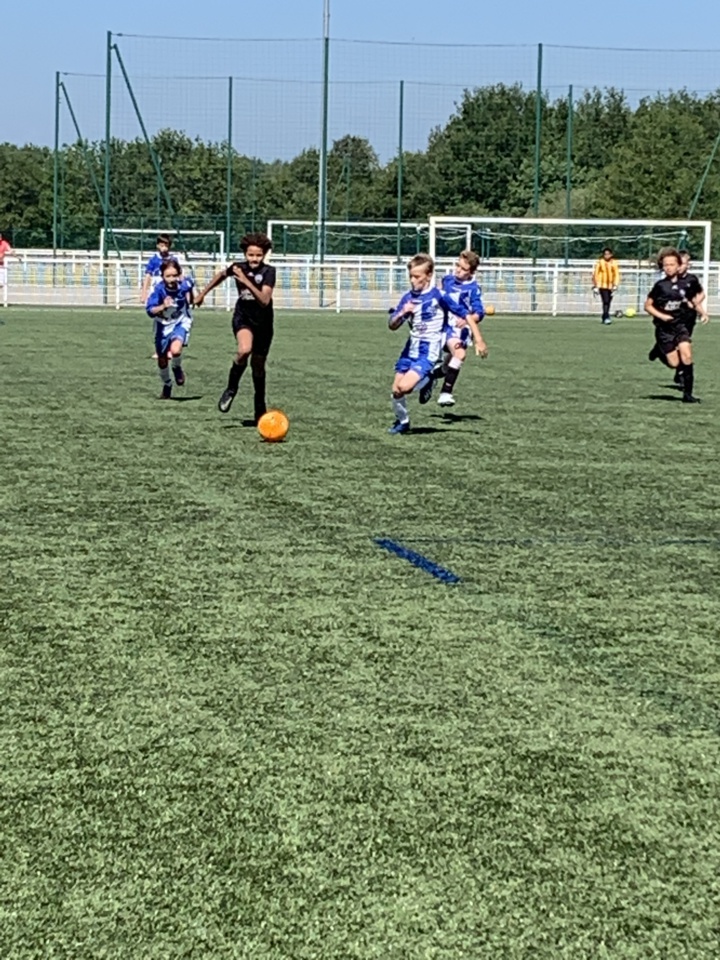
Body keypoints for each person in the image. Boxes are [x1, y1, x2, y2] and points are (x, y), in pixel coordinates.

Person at [195, 232, 276, 423]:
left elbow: (264, 300)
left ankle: (259, 405)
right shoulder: (238, 267)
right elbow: (220, 276)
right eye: (250, 255)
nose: (254, 259)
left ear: (264, 255)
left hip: (264, 322)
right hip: (243, 318)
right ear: (245, 254)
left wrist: (245, 281)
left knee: (258, 366)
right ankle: (231, 388)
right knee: (244, 350)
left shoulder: (269, 272)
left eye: (258, 255)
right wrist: (202, 294)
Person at [387, 253, 469, 435]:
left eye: (417, 276)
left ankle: (429, 379)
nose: (412, 280)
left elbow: (464, 312)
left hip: (428, 350)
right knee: (396, 391)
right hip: (410, 349)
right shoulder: (408, 298)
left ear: (429, 275)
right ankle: (403, 422)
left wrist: (474, 332)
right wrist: (402, 313)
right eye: (411, 276)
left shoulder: (439, 296)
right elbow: (392, 325)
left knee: (405, 387)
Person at [644, 248, 702, 404]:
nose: (669, 268)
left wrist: (701, 312)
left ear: (678, 266)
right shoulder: (660, 286)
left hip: (680, 326)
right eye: (666, 265)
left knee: (687, 356)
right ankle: (659, 351)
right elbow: (647, 306)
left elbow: (694, 299)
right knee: (674, 363)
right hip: (664, 330)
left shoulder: (687, 283)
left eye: (672, 264)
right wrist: (662, 316)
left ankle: (688, 395)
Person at [434, 249, 488, 407]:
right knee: (459, 354)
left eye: (463, 269)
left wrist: (467, 320)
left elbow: (479, 313)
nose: (458, 270)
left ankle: (435, 379)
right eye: (457, 265)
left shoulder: (473, 289)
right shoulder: (447, 280)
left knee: (451, 362)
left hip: (459, 329)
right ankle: (444, 391)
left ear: (471, 272)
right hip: (443, 324)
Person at [145, 258, 195, 399]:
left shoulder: (183, 285)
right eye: (168, 276)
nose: (172, 279)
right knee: (162, 360)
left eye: (174, 275)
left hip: (180, 322)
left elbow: (190, 284)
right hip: (163, 326)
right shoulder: (159, 290)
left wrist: (193, 298)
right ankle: (167, 384)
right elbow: (150, 311)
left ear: (179, 274)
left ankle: (176, 367)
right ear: (162, 276)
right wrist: (163, 306)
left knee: (176, 350)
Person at [592, 246, 620, 325]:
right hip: (602, 285)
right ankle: (606, 317)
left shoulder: (614, 262)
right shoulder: (600, 262)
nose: (607, 256)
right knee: (606, 301)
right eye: (605, 254)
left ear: (611, 254)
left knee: (608, 302)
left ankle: (604, 316)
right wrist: (595, 285)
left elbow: (616, 274)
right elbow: (596, 274)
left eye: (608, 254)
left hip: (611, 286)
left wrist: (615, 285)